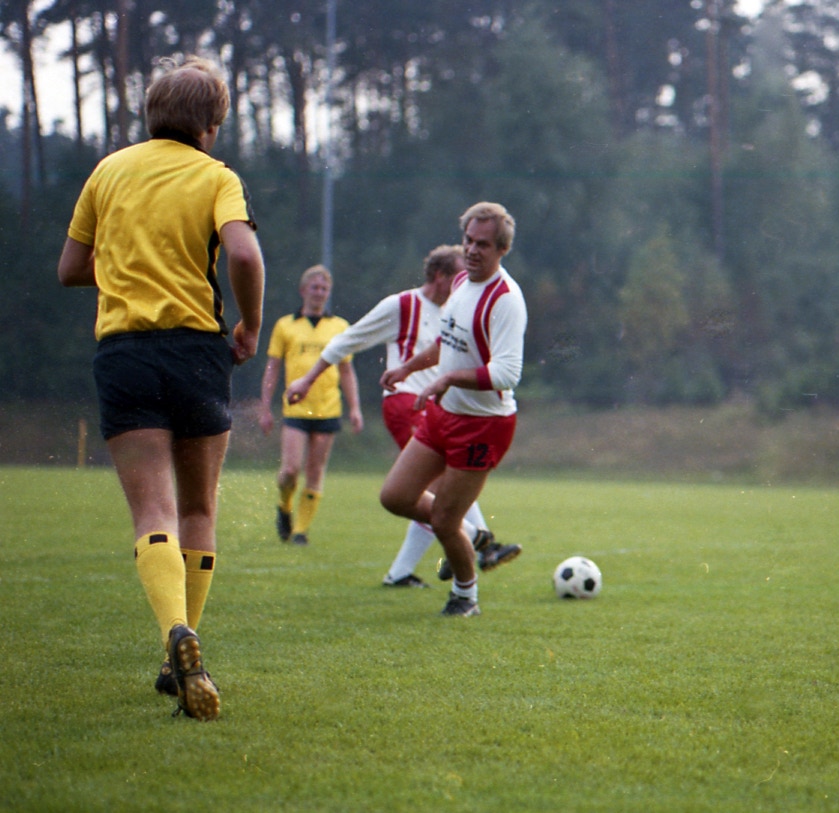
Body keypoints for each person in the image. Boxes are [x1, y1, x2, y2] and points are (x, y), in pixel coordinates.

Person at [56, 56, 265, 721]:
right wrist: (251, 324)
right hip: (196, 351)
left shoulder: (108, 171)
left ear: (151, 114)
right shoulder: (216, 176)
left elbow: (70, 268)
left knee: (153, 511)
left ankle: (173, 632)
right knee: (198, 508)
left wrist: (128, 266)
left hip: (124, 353)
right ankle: (184, 652)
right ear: (212, 124)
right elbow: (243, 253)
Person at [285, 245, 520, 587]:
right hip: (404, 403)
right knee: (435, 489)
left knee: (433, 492)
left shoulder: (456, 308)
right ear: (439, 275)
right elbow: (348, 339)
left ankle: (406, 571)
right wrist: (308, 379)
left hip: (438, 406)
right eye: (457, 275)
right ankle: (479, 542)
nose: (465, 281)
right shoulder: (401, 305)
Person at [377, 202, 528, 617]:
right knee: (395, 497)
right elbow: (448, 343)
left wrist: (446, 380)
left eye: (483, 244)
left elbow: (507, 372)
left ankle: (465, 595)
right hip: (444, 415)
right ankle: (474, 536)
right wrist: (408, 368)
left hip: (484, 425)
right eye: (468, 240)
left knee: (444, 519)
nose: (472, 250)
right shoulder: (461, 281)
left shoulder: (506, 299)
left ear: (502, 249)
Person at [259, 266, 363, 545]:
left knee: (315, 471)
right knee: (290, 471)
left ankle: (300, 531)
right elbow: (272, 367)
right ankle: (284, 506)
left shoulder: (339, 326)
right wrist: (265, 407)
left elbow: (346, 371)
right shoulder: (285, 325)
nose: (319, 293)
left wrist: (355, 408)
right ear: (303, 290)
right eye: (315, 287)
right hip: (295, 408)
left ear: (329, 293)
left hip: (328, 408)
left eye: (324, 289)